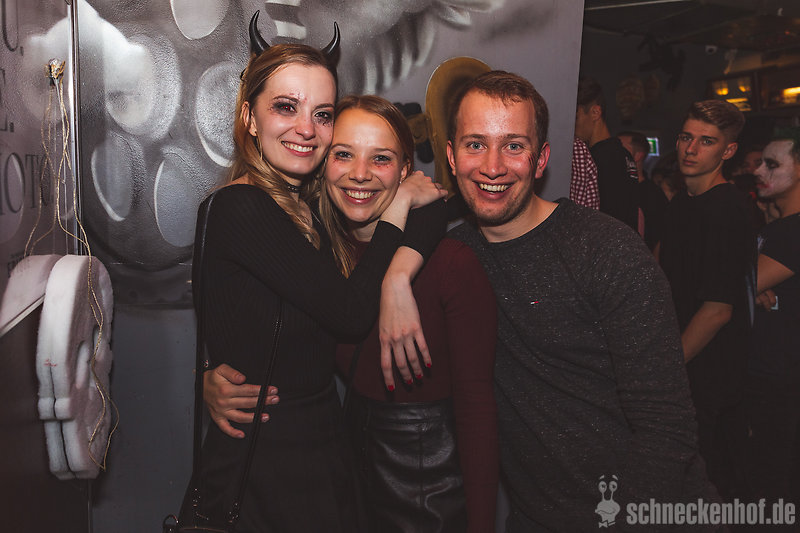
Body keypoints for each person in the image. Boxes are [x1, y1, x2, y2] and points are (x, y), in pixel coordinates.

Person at [419, 70, 711, 531]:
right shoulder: (455, 260)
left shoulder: (607, 251)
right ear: (452, 158)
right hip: (537, 518)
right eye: (476, 144)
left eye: (513, 146)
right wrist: (396, 279)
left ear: (540, 160)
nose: (492, 166)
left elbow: (667, 427)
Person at [189, 16, 445, 532]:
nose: (306, 128)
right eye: (286, 106)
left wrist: (398, 275)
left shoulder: (307, 206)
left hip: (322, 449)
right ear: (250, 118)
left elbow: (435, 209)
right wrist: (399, 210)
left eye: (322, 114)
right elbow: (350, 314)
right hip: (267, 465)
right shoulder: (241, 207)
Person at [205, 95, 500, 533]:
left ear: (404, 171)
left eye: (381, 158)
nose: (360, 173)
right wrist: (210, 377)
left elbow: (477, 412)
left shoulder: (451, 266)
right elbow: (250, 325)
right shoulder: (316, 257)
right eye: (343, 154)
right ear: (322, 163)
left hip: (426, 496)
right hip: (341, 481)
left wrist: (481, 526)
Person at [657, 100, 756, 500]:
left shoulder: (729, 209)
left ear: (728, 151)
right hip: (684, 367)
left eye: (706, 141)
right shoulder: (682, 203)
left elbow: (717, 310)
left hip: (713, 374)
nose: (691, 149)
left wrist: (665, 368)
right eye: (686, 137)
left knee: (710, 490)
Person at [741, 135, 800, 511]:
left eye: (772, 164)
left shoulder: (794, 231)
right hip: (767, 370)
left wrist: (747, 285)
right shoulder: (778, 228)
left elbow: (734, 284)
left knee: (770, 481)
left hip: (782, 376)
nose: (759, 171)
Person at [575, 76, 639, 231]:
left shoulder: (594, 158)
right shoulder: (625, 155)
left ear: (595, 112)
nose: (573, 125)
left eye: (576, 117)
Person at [618, 130, 667, 250]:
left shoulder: (652, 195)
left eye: (620, 149)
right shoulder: (615, 190)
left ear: (638, 155)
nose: (614, 154)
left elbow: (658, 240)